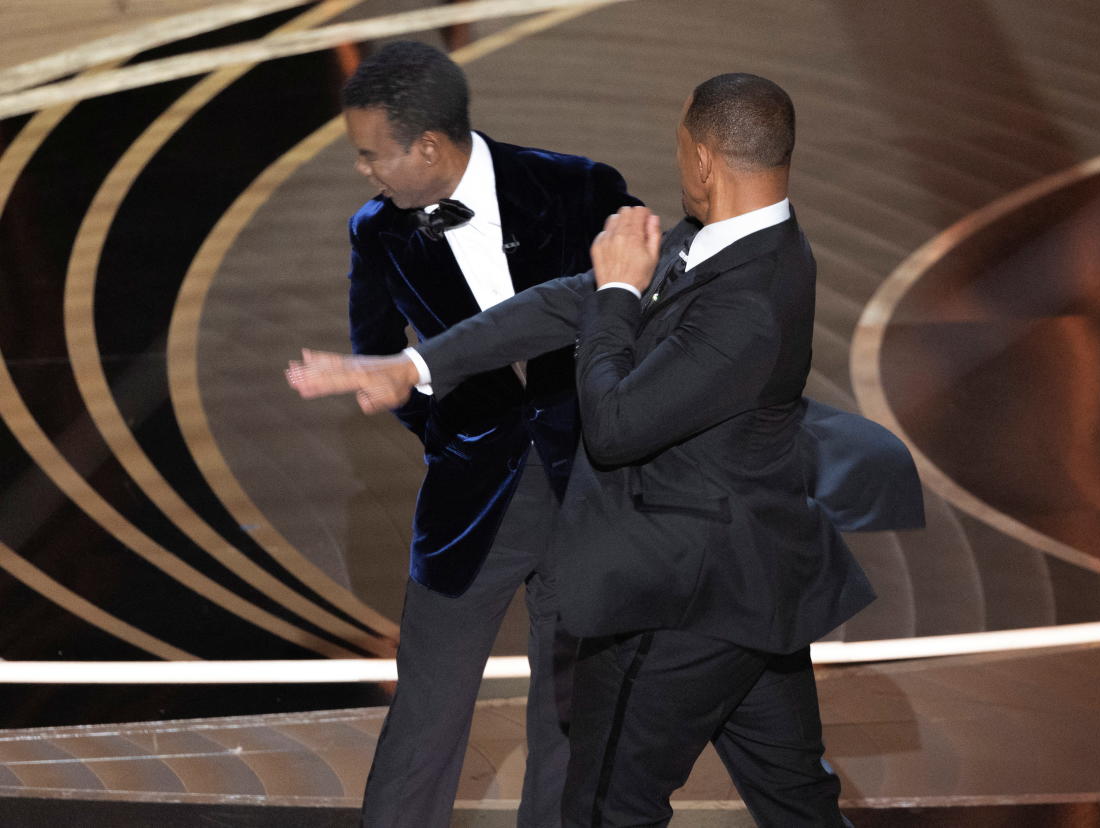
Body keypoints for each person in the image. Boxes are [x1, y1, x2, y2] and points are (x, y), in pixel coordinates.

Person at [292, 73, 923, 827]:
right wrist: (414, 365)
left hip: (686, 599)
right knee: (798, 800)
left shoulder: (753, 301)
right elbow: (562, 301)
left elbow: (617, 425)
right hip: (755, 594)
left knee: (604, 807)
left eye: (680, 143)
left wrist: (619, 294)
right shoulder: (718, 242)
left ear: (705, 160)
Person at [336, 41, 639, 828]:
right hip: (471, 500)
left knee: (571, 712)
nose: (364, 171)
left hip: (591, 489)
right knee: (426, 714)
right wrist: (452, 433)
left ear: (428, 147)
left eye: (372, 156)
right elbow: (380, 356)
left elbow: (635, 323)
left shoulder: (580, 187)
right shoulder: (376, 232)